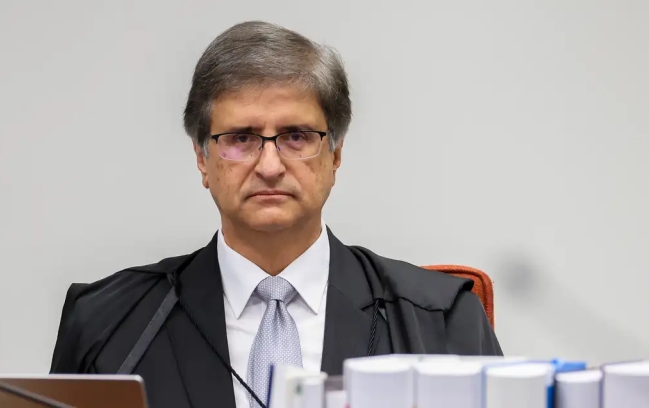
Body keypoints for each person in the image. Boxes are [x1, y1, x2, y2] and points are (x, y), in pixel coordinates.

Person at [49, 21, 502, 408]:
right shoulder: (110, 322)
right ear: (202, 158)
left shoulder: (440, 317)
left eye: (296, 136)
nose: (269, 166)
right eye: (241, 138)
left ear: (335, 155)